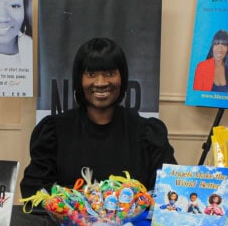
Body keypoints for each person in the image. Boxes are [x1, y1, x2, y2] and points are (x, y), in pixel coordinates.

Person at [20, 37, 176, 198]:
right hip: (69, 223)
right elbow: (34, 191)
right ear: (79, 79)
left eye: (109, 73)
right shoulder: (54, 131)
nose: (100, 82)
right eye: (91, 74)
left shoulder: (148, 133)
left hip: (133, 224)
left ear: (122, 78)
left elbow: (169, 195)